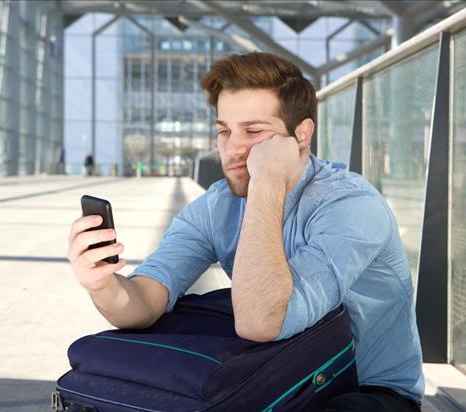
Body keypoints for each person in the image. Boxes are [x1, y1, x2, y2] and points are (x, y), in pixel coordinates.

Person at [67, 52, 424, 411]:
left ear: (301, 134)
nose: (233, 149)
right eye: (224, 131)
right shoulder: (217, 205)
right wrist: (102, 284)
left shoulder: (351, 206)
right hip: (281, 375)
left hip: (363, 388)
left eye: (254, 132)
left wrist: (267, 181)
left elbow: (262, 324)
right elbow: (144, 301)